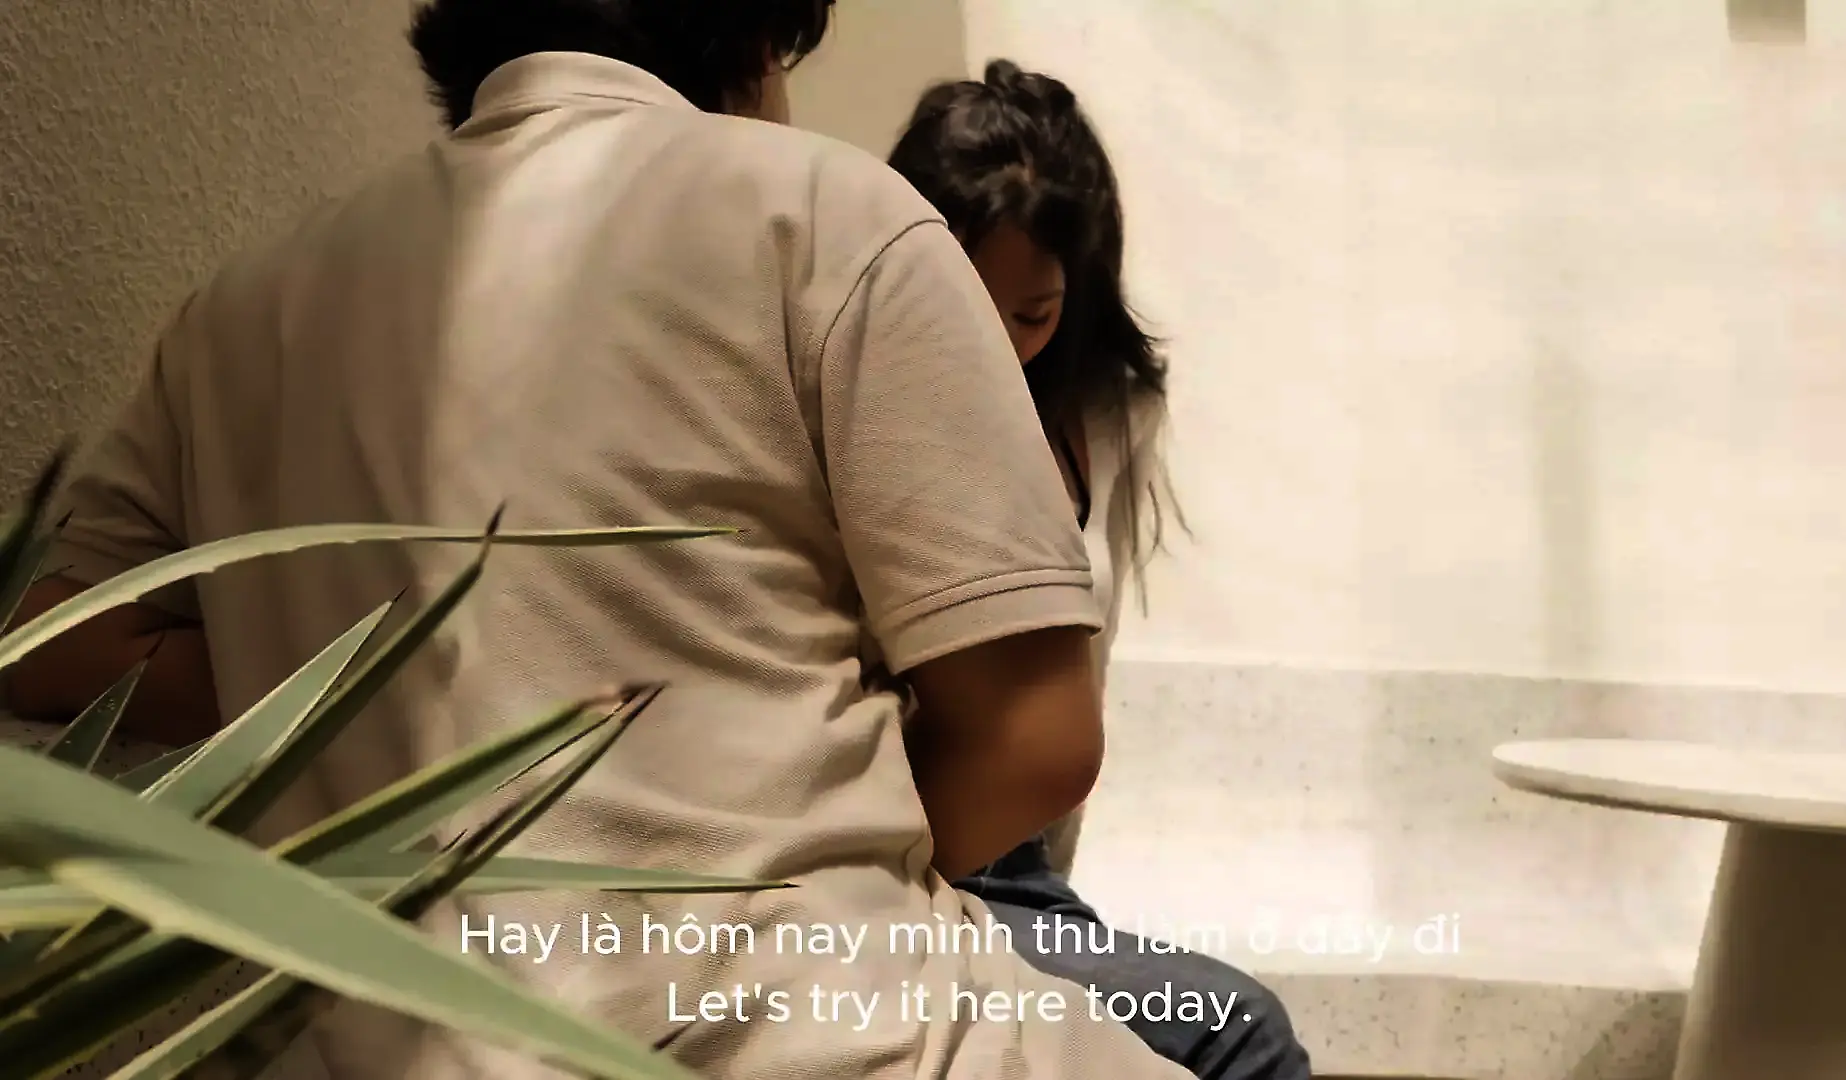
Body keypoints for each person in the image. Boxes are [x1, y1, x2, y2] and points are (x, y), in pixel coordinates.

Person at [1, 4, 1200, 1079]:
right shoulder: (826, 211)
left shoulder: (247, 305)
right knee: (1235, 1035)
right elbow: (1034, 738)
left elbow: (50, 640)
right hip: (843, 1038)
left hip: (399, 1048)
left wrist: (380, 663)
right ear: (756, 41)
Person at [886, 61, 1315, 1080]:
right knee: (1242, 1034)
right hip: (898, 860)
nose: (995, 351)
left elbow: (1080, 677)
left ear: (1074, 298)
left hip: (1024, 873)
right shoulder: (865, 408)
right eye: (962, 310)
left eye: (1031, 316)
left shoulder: (1112, 417)